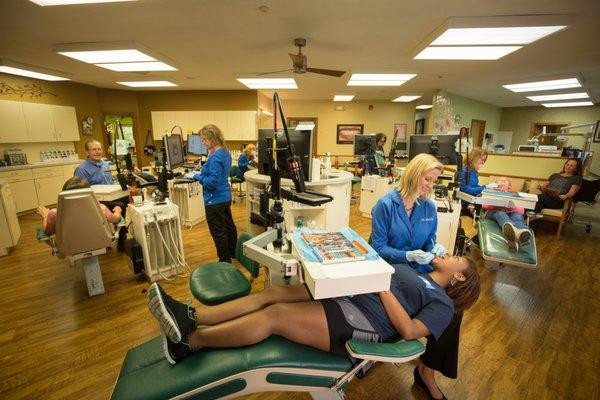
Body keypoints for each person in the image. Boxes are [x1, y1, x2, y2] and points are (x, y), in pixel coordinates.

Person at [147, 254, 481, 400]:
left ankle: (191, 342)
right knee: (273, 293)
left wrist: (381, 285)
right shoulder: (418, 272)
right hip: (348, 295)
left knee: (275, 315)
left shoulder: (443, 303)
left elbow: (409, 330)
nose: (450, 254)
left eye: (457, 258)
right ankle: (193, 316)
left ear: (460, 276)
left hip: (362, 321)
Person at [371, 153, 448, 274]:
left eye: (434, 181)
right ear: (413, 176)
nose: (431, 185)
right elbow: (379, 248)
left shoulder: (429, 207)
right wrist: (407, 256)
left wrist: (434, 249)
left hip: (417, 269)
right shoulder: (386, 205)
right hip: (389, 268)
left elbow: (429, 240)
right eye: (427, 179)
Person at [192, 124, 237, 263]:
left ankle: (224, 261)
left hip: (214, 200)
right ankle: (233, 253)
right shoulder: (224, 152)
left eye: (204, 140)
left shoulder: (216, 156)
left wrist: (197, 176)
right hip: (225, 197)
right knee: (228, 226)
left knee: (218, 232)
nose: (203, 143)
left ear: (212, 138)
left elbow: (211, 183)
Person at [74, 140, 130, 250]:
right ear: (87, 152)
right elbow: (81, 192)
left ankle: (118, 230)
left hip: (111, 195)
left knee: (125, 197)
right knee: (120, 205)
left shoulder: (106, 164)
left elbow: (112, 181)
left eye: (99, 149)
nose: (97, 151)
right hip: (96, 201)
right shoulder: (82, 169)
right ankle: (121, 238)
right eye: (93, 149)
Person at [36, 176, 122, 236]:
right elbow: (115, 219)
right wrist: (118, 209)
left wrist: (45, 215)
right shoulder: (100, 208)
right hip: (99, 241)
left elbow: (48, 232)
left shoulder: (55, 213)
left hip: (68, 246)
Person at [482, 177, 530, 252]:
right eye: (499, 181)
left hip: (512, 213)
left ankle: (521, 234)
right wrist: (499, 206)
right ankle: (511, 229)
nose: (501, 181)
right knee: (501, 214)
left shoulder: (514, 194)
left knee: (518, 216)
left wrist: (509, 207)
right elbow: (484, 206)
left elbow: (521, 211)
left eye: (504, 181)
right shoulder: (490, 191)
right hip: (494, 212)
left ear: (509, 186)